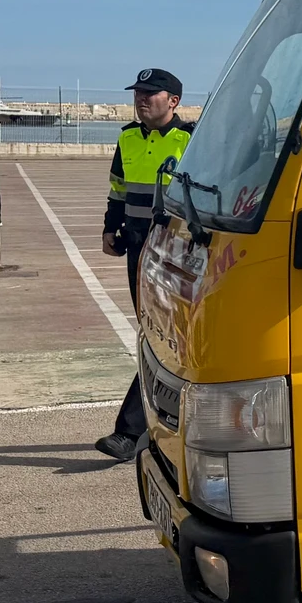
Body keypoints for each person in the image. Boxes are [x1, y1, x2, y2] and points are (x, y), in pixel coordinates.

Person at [95, 68, 193, 462]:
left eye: (150, 94)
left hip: (175, 251)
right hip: (138, 247)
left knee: (159, 336)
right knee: (156, 334)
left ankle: (129, 432)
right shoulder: (127, 138)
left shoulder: (190, 139)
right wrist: (110, 228)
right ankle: (171, 421)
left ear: (172, 101)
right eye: (138, 93)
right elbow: (118, 188)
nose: (141, 99)